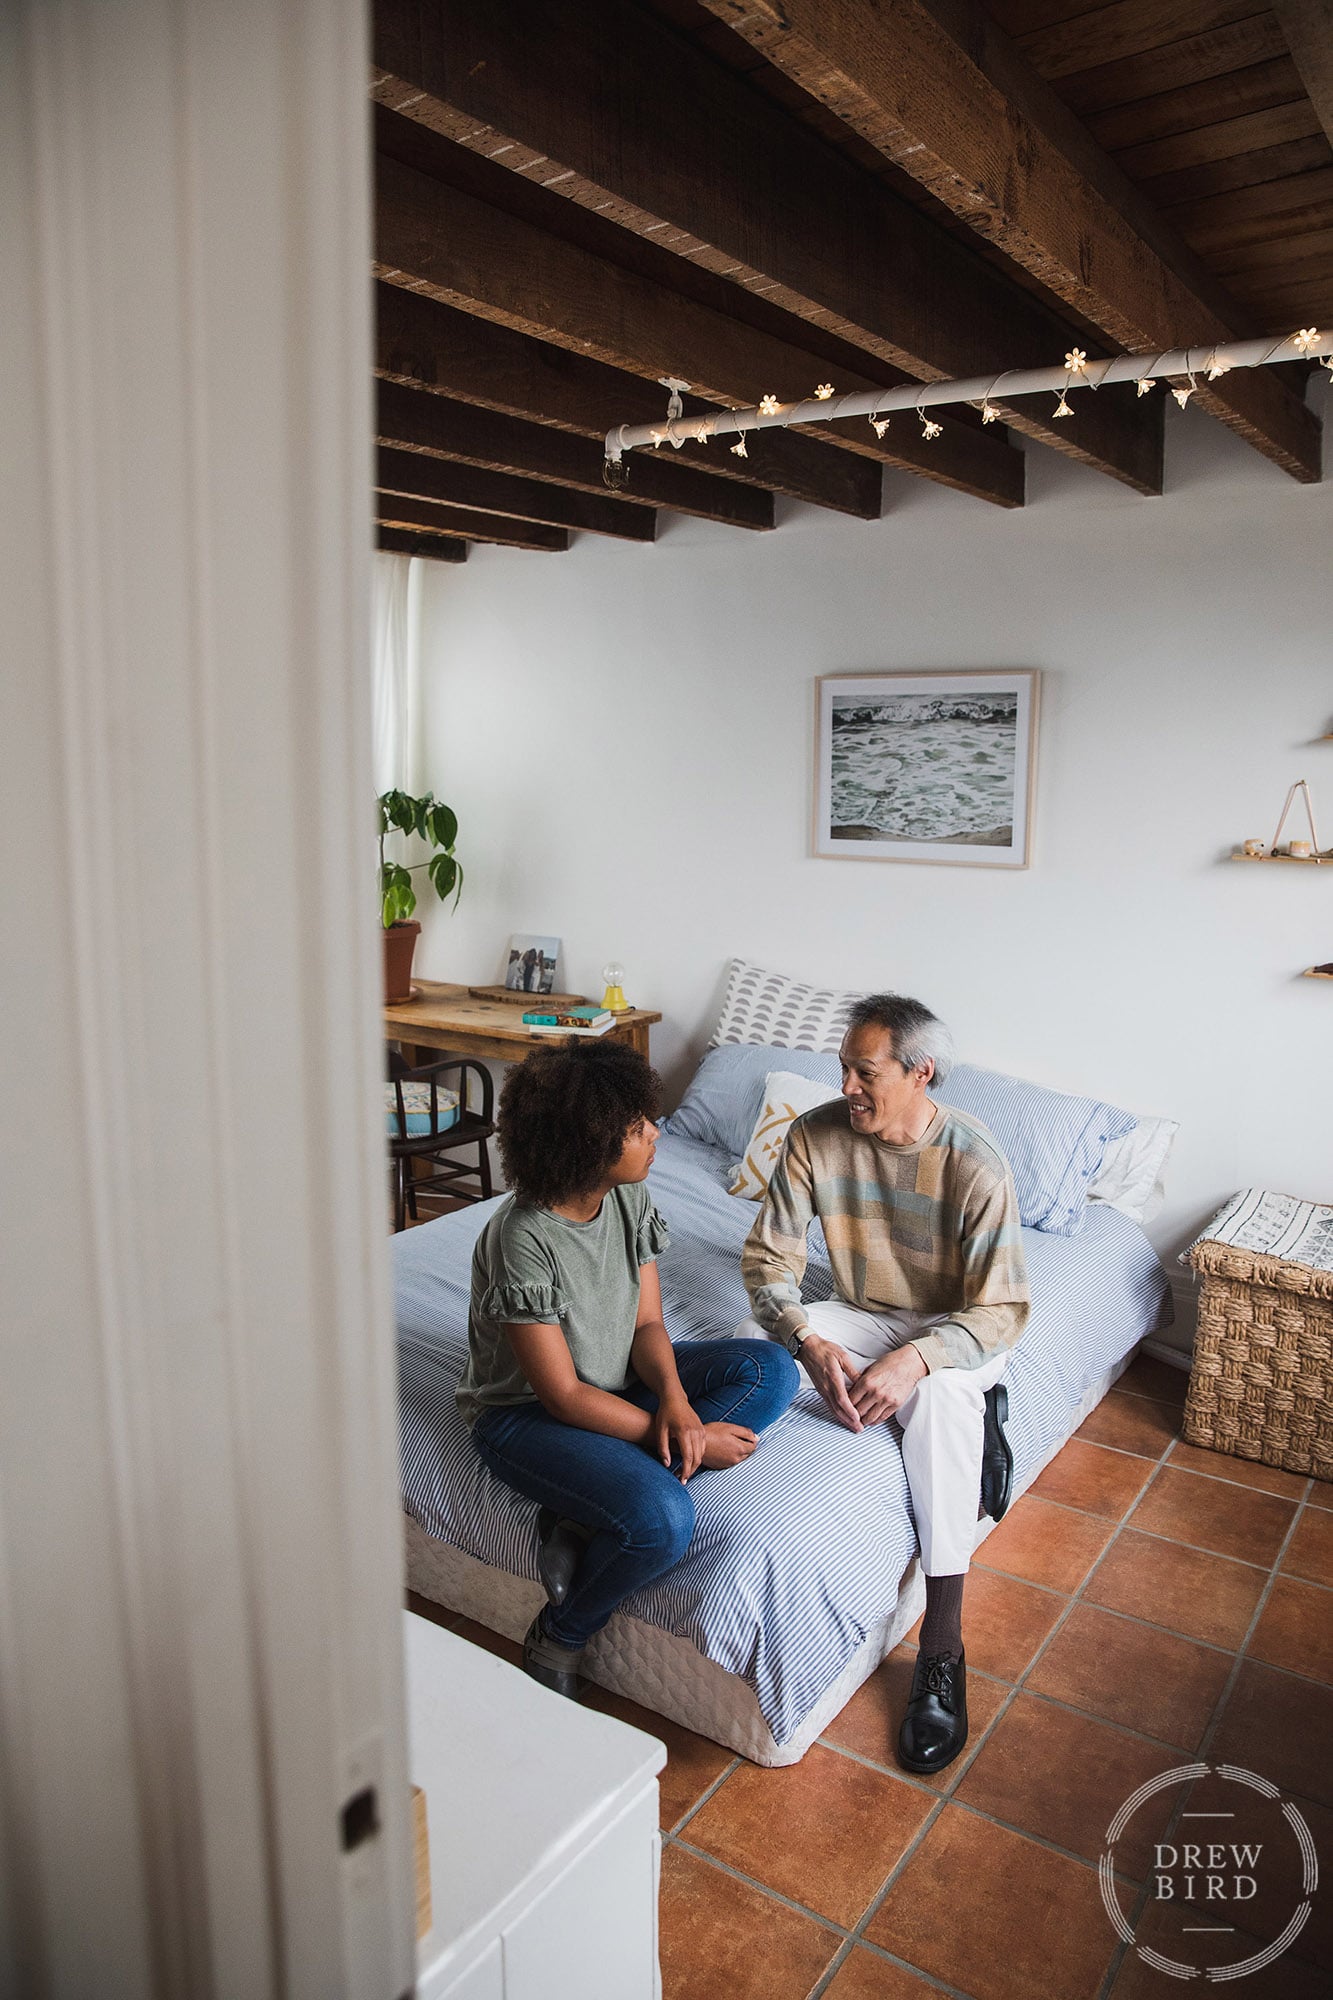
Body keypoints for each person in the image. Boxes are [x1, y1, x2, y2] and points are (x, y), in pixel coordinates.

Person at [740, 992, 1029, 1773]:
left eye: (863, 1072)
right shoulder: (815, 1137)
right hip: (864, 1312)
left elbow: (1001, 1308)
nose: (847, 1086)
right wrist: (804, 1341)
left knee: (935, 1398)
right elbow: (768, 1262)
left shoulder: (974, 1160)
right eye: (842, 1068)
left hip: (961, 1326)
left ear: (919, 1073)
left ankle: (940, 1648)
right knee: (745, 1352)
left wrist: (917, 1360)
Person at [458, 1039, 799, 1697]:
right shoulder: (522, 1238)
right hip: (522, 1416)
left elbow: (647, 1325)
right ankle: (562, 1632)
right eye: (636, 1127)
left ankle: (579, 1515)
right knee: (663, 1519)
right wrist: (674, 1438)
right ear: (586, 1144)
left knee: (770, 1369)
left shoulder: (625, 1197)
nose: (654, 1134)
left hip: (615, 1379)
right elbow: (558, 1394)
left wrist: (673, 1401)